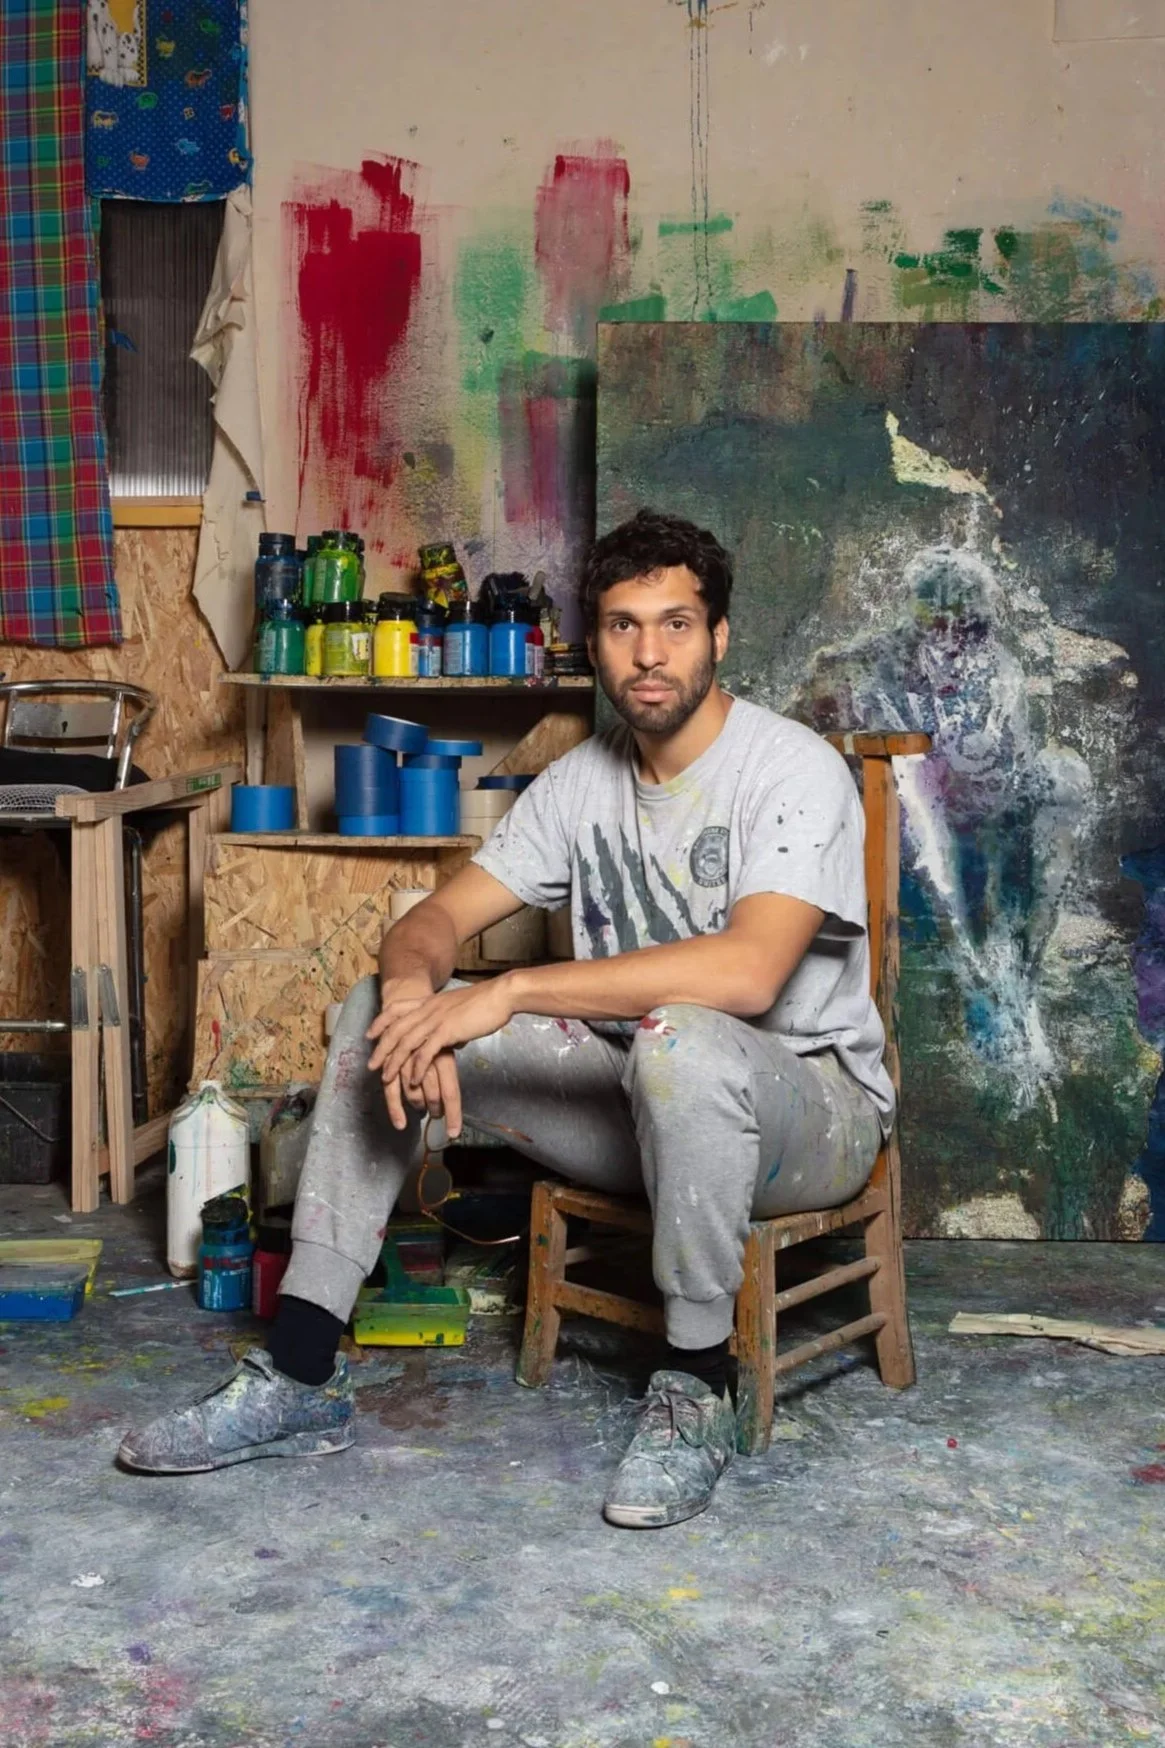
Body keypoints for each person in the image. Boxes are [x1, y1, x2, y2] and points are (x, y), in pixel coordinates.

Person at [119, 508, 893, 1529]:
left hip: (809, 1113)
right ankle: (302, 1370)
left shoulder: (789, 768)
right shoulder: (580, 782)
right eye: (622, 625)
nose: (649, 653)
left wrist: (514, 989)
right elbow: (435, 918)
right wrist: (411, 1003)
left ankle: (695, 1382)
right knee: (378, 1009)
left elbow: (748, 974)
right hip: (638, 1098)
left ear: (719, 636)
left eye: (674, 623)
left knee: (685, 1038)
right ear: (594, 639)